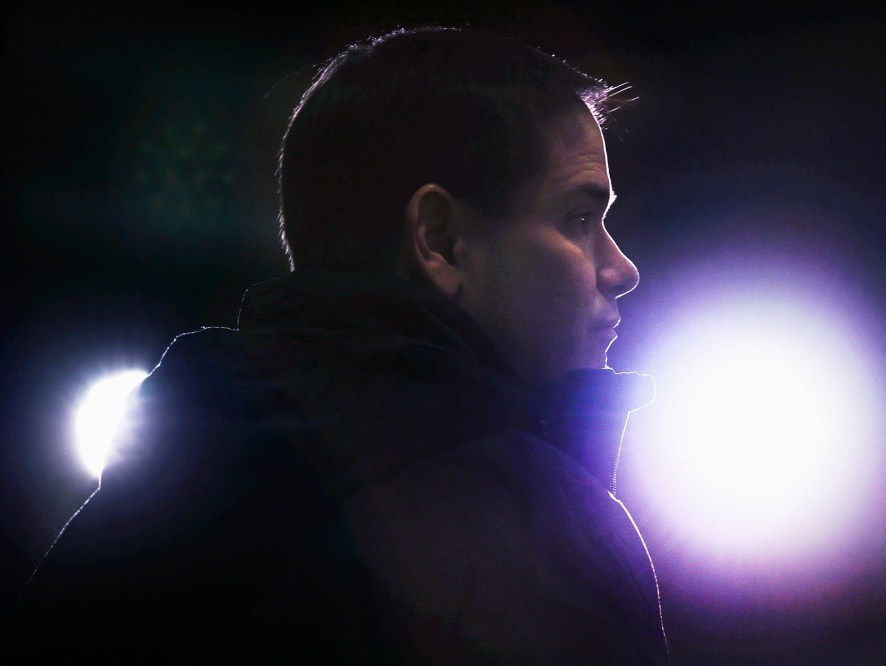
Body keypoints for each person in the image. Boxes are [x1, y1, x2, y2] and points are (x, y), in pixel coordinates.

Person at [12, 27, 668, 662]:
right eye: (578, 218)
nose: (621, 269)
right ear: (440, 242)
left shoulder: (119, 526)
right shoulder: (536, 529)